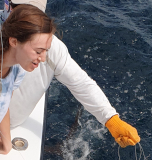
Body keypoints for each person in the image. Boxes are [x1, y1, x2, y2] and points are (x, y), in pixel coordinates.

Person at [3, 0, 140, 149]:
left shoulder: (49, 46)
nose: (42, 57)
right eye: (17, 10)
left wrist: (111, 120)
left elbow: (80, 82)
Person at [0, 4, 56, 154]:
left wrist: (6, 141)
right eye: (38, 51)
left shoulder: (17, 69)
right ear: (14, 42)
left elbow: (3, 105)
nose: (43, 59)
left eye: (45, 51)